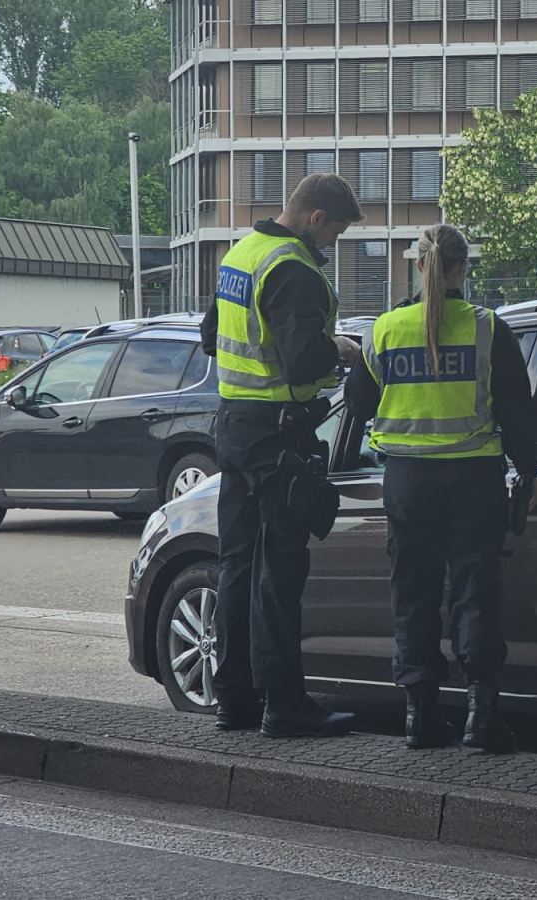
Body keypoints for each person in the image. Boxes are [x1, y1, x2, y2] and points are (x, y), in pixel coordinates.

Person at [344, 224, 537, 752]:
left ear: (418, 265)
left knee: (414, 595)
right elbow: (518, 414)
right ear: (462, 268)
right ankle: (481, 715)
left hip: (408, 483)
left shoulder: (385, 329)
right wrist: (528, 472)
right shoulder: (488, 329)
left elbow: (358, 405)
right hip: (475, 480)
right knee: (476, 594)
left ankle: (419, 716)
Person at [201, 172, 365, 738]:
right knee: (280, 573)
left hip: (234, 426)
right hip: (277, 434)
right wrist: (339, 349)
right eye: (335, 232)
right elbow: (302, 360)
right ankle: (285, 707)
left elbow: (210, 337)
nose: (333, 243)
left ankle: (233, 700)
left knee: (237, 566)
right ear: (315, 217)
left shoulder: (240, 255)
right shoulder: (292, 267)